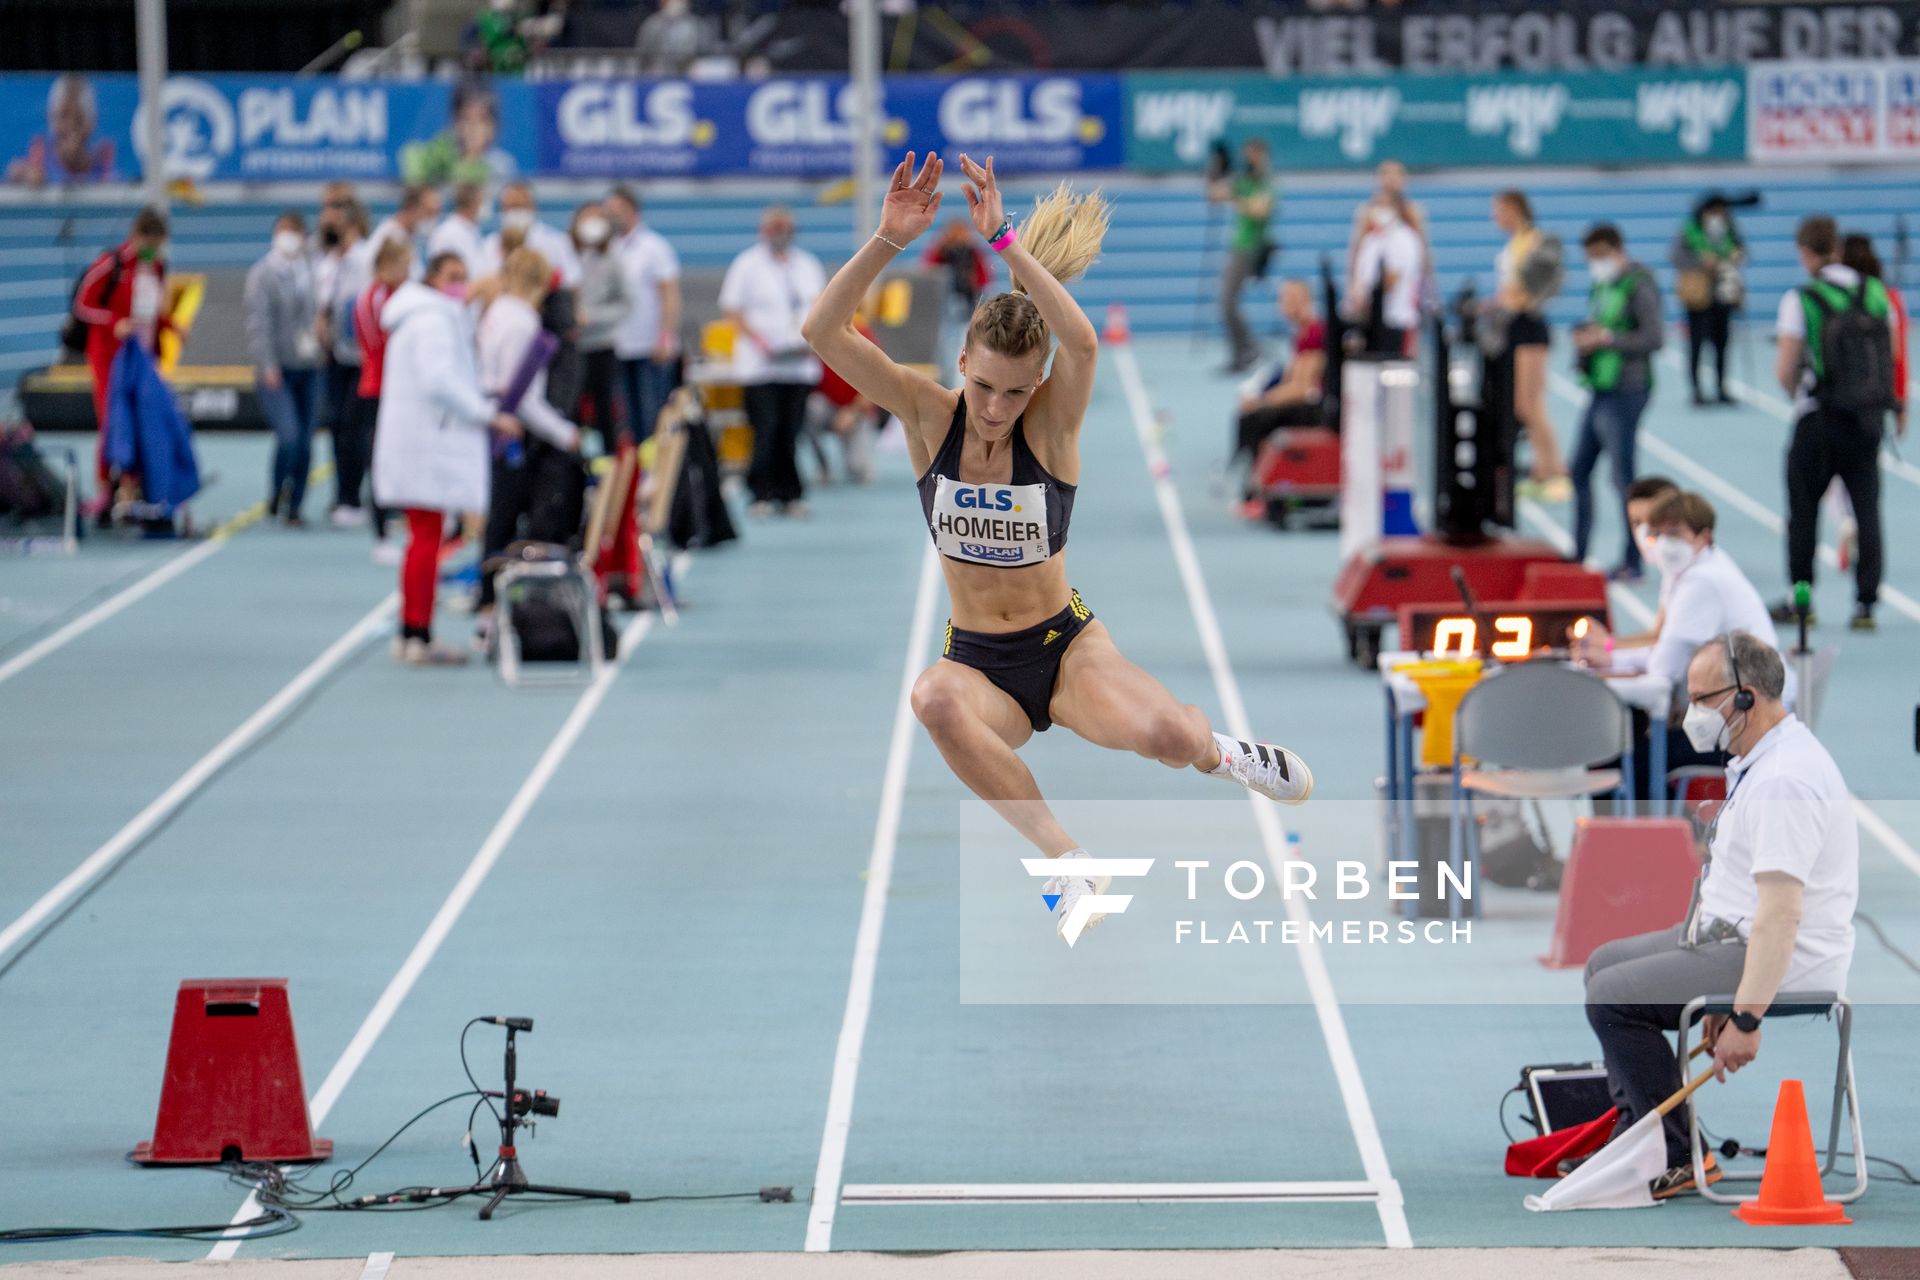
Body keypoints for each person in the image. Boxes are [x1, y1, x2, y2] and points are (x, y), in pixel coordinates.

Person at [804, 151, 1313, 941]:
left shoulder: (1050, 426)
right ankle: (1065, 863)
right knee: (932, 699)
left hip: (1066, 649)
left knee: (1170, 738)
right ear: (962, 363)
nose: (997, 407)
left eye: (1016, 391)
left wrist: (1006, 241)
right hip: (979, 662)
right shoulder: (926, 415)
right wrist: (886, 241)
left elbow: (1081, 344)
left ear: (1036, 385)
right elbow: (822, 331)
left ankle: (1223, 751)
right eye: (983, 386)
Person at [1580, 631, 1856, 1199]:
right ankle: (1647, 1133)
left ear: (1748, 697)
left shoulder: (1785, 781)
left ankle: (1676, 1154)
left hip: (1780, 956)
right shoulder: (1763, 759)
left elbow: (1780, 917)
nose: (1692, 715)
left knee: (1611, 996)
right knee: (1602, 964)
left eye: (1704, 700)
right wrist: (1709, 986)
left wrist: (1747, 1015)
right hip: (1732, 942)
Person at [1575, 490, 1792, 799]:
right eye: (1658, 533)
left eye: (1674, 534)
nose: (1664, 543)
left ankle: (1648, 839)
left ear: (1703, 537)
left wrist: (1606, 661)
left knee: (1624, 758)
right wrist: (1610, 658)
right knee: (1630, 739)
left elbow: (1663, 669)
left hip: (1747, 728)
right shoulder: (1695, 568)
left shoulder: (1701, 582)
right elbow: (1665, 647)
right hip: (1748, 714)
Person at [372, 251, 523, 666]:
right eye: (453, 276)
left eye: (464, 275)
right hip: (425, 443)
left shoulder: (428, 316)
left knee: (424, 537)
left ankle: (413, 631)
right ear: (433, 278)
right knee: (425, 539)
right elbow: (440, 381)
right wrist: (486, 414)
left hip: (419, 441)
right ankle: (417, 634)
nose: (461, 284)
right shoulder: (431, 320)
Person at [1771, 215, 1894, 633]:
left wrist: (1795, 394)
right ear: (1838, 248)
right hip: (1867, 418)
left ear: (1805, 253)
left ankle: (1801, 601)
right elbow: (1890, 357)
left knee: (1803, 511)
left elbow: (1785, 368)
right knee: (1866, 510)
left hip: (1819, 417)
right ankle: (1865, 605)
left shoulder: (1800, 298)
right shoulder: (1876, 292)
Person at [474, 247, 584, 639]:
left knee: (497, 521)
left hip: (492, 421)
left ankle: (488, 608)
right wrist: (563, 433)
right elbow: (524, 398)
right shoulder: (522, 322)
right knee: (508, 521)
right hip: (511, 432)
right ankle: (498, 608)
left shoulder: (495, 313)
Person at [1569, 224, 1664, 580]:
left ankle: (1634, 560)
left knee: (1623, 479)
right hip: (1600, 387)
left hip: (1628, 390)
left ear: (1614, 249)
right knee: (1578, 470)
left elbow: (1654, 337)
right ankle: (1578, 552)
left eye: (1598, 256)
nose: (1594, 263)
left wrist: (1607, 339)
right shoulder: (1603, 284)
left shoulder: (1639, 284)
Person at [723, 204, 825, 518]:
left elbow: (821, 306)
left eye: (786, 226)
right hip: (759, 365)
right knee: (765, 428)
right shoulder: (747, 264)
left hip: (798, 364)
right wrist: (761, 342)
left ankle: (791, 493)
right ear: (763, 231)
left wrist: (812, 341)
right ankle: (760, 492)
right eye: (774, 226)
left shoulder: (807, 265)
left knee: (790, 431)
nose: (781, 232)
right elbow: (733, 310)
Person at [1822, 232, 1909, 586]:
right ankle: (1867, 599)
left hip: (1829, 403)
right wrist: (1900, 405)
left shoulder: (1828, 296)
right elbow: (1897, 356)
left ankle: (1842, 521)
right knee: (1868, 494)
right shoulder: (1885, 298)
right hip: (1872, 406)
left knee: (1825, 483)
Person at [71, 206, 171, 509]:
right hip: (109, 357)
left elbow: (153, 312)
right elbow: (83, 306)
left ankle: (136, 484)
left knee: (146, 419)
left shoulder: (156, 268)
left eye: (158, 247)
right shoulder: (110, 264)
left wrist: (174, 328)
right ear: (136, 237)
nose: (152, 251)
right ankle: (107, 488)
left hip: (143, 358)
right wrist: (116, 322)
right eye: (149, 245)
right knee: (112, 421)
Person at [1490, 189, 1569, 500]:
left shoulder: (1534, 241)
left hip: (1529, 328)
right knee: (1525, 405)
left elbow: (1535, 289)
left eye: (1498, 210)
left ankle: (1557, 471)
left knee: (1530, 404)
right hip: (1513, 326)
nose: (1494, 217)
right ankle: (1541, 471)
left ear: (1514, 209)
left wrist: (1514, 300)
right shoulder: (1515, 243)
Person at [245, 211, 323, 526]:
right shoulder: (263, 274)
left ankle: (296, 505)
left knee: (306, 440)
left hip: (310, 365)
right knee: (288, 435)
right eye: (282, 230)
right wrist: (267, 364)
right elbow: (258, 324)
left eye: (293, 231)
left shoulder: (312, 270)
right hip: (278, 368)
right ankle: (278, 490)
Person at [1230, 278, 1326, 502]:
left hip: (1316, 408)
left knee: (1258, 417)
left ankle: (1259, 489)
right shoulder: (1302, 332)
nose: (1282, 305)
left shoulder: (1314, 333)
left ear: (1305, 302)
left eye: (1289, 299)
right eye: (1281, 299)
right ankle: (1257, 482)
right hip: (1308, 400)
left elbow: (1301, 388)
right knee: (1252, 414)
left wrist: (1262, 401)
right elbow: (1288, 379)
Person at [606, 186, 682, 441]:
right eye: (609, 211)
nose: (612, 216)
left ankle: (658, 474)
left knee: (653, 414)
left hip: (649, 346)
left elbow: (669, 294)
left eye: (618, 211)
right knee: (627, 419)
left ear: (633, 212)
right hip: (617, 344)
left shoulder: (654, 247)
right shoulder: (607, 248)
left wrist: (666, 336)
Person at [354, 237, 412, 564]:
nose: (407, 271)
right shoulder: (374, 298)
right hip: (378, 389)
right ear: (385, 266)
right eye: (403, 265)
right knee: (379, 460)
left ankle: (396, 516)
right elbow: (379, 345)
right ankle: (380, 533)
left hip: (397, 388)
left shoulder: (398, 296)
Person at [318, 200, 374, 526]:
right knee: (337, 426)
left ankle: (354, 495)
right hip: (335, 354)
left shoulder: (364, 258)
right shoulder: (329, 261)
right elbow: (325, 300)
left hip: (361, 357)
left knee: (356, 428)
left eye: (333, 223)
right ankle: (342, 495)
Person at [1671, 195, 1745, 407]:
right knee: (1696, 344)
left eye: (1721, 212)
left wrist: (1735, 257)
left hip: (1723, 294)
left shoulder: (1729, 230)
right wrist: (1701, 263)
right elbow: (1676, 257)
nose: (1717, 217)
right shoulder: (1688, 231)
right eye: (1713, 212)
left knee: (1722, 343)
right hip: (1697, 295)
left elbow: (1742, 252)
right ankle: (1696, 389)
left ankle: (1721, 387)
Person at [1209, 137, 1274, 374]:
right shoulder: (1244, 179)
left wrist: (1235, 197)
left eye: (1254, 154)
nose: (1249, 158)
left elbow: (1260, 209)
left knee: (1228, 302)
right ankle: (1243, 351)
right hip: (1238, 246)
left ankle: (1248, 349)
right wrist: (1217, 170)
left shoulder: (1265, 182)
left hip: (1251, 247)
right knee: (1227, 303)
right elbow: (1215, 195)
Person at [571, 201, 631, 453]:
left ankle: (606, 464)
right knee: (571, 409)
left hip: (602, 344)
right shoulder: (566, 254)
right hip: (572, 346)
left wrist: (592, 317)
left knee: (604, 407)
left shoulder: (612, 260)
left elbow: (625, 303)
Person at [1345, 194, 1423, 356]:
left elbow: (1391, 279)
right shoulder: (1372, 239)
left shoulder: (1403, 237)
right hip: (1372, 319)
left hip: (1396, 319)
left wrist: (1365, 300)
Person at [7, 74, 116, 185]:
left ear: (92, 123)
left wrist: (78, 162)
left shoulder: (102, 158)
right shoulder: (41, 155)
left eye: (79, 119)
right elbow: (14, 171)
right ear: (51, 117)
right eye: (63, 116)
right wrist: (23, 174)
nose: (70, 125)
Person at [482, 181, 581, 288]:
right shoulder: (489, 244)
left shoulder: (556, 241)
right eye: (511, 207)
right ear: (503, 209)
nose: (516, 212)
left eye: (521, 206)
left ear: (532, 206)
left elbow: (573, 279)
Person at [1345, 161, 1428, 278]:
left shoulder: (1412, 211)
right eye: (1387, 174)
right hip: (1374, 276)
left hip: (1407, 275)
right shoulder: (1368, 212)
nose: (1392, 178)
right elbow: (1356, 248)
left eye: (1397, 174)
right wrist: (1353, 281)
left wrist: (1428, 281)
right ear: (1378, 179)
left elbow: (1422, 246)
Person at [368, 184, 442, 280]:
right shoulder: (390, 237)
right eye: (429, 212)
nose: (432, 220)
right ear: (412, 208)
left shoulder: (409, 237)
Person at [634, 0, 715, 75]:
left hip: (688, 71)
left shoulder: (697, 24)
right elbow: (643, 54)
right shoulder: (652, 24)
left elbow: (707, 52)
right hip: (659, 71)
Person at [428, 182, 489, 280]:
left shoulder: (472, 230)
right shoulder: (447, 232)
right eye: (482, 202)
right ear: (473, 204)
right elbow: (441, 272)